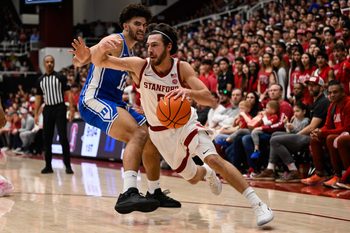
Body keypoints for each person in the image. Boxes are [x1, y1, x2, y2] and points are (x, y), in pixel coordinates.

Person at [91, 22, 274, 226]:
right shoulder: (139, 65)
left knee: (214, 158)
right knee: (193, 177)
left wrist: (189, 92)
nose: (150, 50)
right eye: (149, 45)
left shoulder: (181, 67)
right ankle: (207, 173)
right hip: (161, 134)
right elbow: (99, 61)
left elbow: (209, 98)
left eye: (155, 45)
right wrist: (102, 46)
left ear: (169, 47)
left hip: (186, 123)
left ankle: (258, 204)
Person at [69, 4, 180, 214]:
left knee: (150, 135)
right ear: (125, 25)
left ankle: (154, 191)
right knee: (137, 134)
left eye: (144, 25)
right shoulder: (115, 41)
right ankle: (128, 192)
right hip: (94, 98)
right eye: (137, 23)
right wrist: (85, 54)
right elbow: (82, 59)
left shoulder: (132, 50)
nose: (142, 28)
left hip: (114, 100)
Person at [35, 55, 74, 174]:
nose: (49, 64)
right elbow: (38, 98)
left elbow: (69, 93)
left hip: (60, 108)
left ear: (54, 63)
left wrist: (71, 109)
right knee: (47, 138)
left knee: (63, 137)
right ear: (44, 64)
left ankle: (67, 165)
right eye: (47, 62)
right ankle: (48, 166)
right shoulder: (40, 80)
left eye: (51, 62)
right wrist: (36, 113)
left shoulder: (60, 77)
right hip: (47, 109)